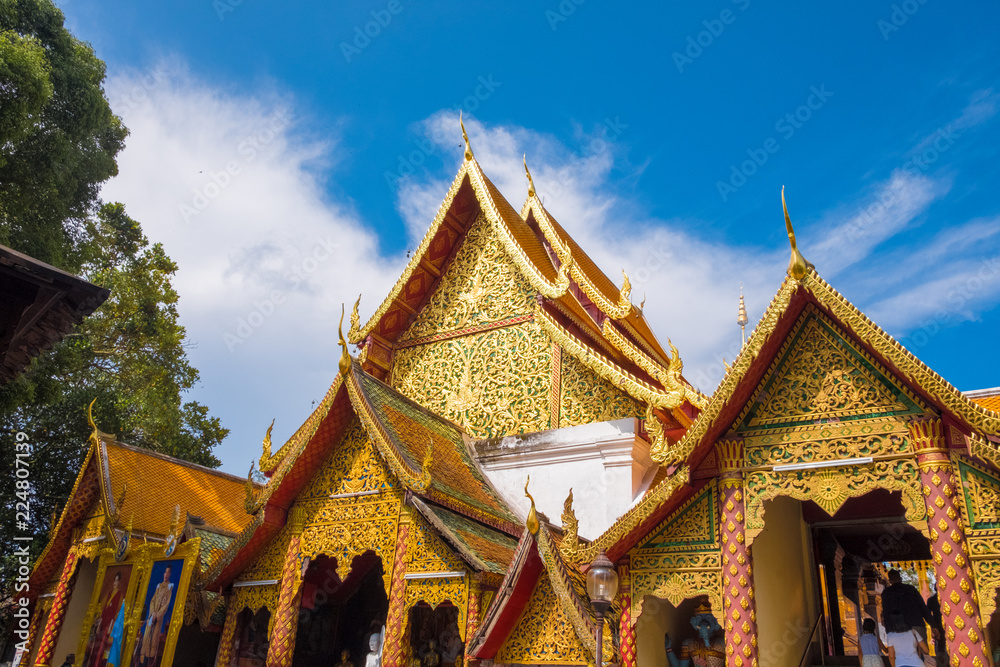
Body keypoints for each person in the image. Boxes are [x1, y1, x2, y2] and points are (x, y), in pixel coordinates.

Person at [664, 602, 725, 667]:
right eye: (700, 618)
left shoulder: (722, 642)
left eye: (708, 618)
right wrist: (669, 650)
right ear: (694, 622)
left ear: (716, 622)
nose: (703, 622)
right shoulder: (689, 643)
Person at [882, 569, 935, 642]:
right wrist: (933, 625)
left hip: (897, 630)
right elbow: (922, 607)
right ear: (901, 579)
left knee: (902, 652)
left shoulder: (886, 593)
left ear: (890, 581)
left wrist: (889, 631)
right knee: (922, 651)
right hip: (916, 625)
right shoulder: (911, 589)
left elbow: (886, 613)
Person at [139, 566, 174, 667]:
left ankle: (149, 662)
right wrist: (152, 613)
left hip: (158, 619)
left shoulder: (169, 588)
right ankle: (142, 660)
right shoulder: (159, 586)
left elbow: (166, 605)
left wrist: (157, 615)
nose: (166, 574)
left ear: (170, 574)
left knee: (153, 639)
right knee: (146, 636)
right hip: (152, 615)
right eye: (165, 572)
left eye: (168, 572)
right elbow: (153, 600)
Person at [89, 572, 125, 667]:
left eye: (117, 581)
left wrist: (112, 627)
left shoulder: (119, 595)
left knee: (103, 647)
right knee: (96, 645)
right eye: (114, 580)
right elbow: (103, 610)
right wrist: (99, 624)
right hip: (103, 622)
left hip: (110, 625)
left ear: (119, 582)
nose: (115, 582)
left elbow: (118, 613)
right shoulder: (109, 594)